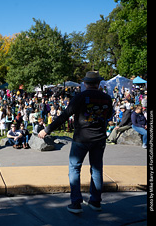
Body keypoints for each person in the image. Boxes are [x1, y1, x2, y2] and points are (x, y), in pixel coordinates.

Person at [38, 71, 113, 214]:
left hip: (81, 138)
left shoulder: (80, 97)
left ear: (85, 83)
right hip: (99, 139)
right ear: (98, 83)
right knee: (96, 170)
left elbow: (65, 116)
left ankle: (76, 203)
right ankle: (96, 202)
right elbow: (108, 115)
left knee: (74, 169)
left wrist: (47, 129)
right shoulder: (106, 98)